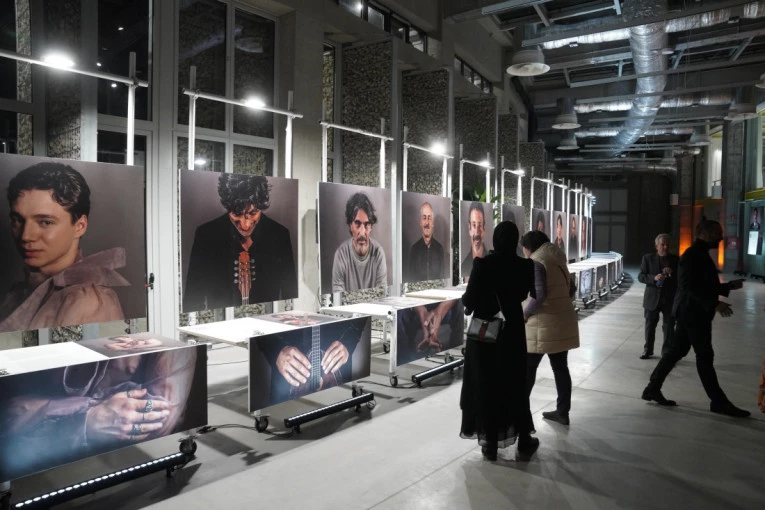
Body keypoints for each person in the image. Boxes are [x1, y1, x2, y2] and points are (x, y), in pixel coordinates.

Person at [0, 347, 199, 481]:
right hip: (36, 473)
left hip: (115, 471)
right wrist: (94, 414)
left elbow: (158, 417)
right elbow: (9, 413)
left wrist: (43, 408)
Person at [0, 163, 128, 333]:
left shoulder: (87, 301)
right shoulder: (18, 292)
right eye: (18, 220)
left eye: (46, 222)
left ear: (80, 226)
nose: (26, 236)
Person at [642, 219, 749, 417]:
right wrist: (714, 303)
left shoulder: (700, 254)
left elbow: (702, 285)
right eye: (717, 233)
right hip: (693, 314)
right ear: (704, 234)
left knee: (676, 352)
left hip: (691, 313)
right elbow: (688, 287)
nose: (721, 237)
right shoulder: (692, 255)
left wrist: (727, 287)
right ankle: (718, 402)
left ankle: (652, 388)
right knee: (704, 356)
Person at [460, 221, 539, 461]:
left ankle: (490, 444)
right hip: (512, 332)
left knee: (486, 386)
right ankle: (523, 438)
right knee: (515, 384)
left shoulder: (483, 265)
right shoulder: (525, 266)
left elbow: (469, 300)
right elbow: (526, 294)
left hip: (486, 336)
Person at [183, 173, 297, 311]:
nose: (245, 225)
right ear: (228, 208)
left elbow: (290, 295)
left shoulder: (280, 235)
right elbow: (193, 299)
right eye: (237, 214)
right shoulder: (206, 235)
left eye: (253, 213)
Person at [521, 230, 580, 426]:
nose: (524, 252)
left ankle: (519, 413)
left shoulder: (537, 261)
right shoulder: (558, 258)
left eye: (524, 248)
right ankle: (563, 412)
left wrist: (525, 314)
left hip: (541, 325)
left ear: (530, 247)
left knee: (527, 370)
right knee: (560, 368)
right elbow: (571, 288)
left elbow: (539, 295)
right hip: (561, 321)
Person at [332, 192, 388, 293]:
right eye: (357, 223)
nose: (362, 232)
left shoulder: (378, 253)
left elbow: (382, 292)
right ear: (350, 225)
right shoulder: (341, 254)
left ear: (371, 227)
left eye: (367, 224)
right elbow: (337, 294)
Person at [637, 233, 679, 359]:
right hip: (652, 299)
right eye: (662, 244)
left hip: (669, 299)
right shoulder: (647, 258)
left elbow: (680, 279)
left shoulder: (676, 260)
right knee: (650, 326)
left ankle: (666, 352)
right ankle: (648, 350)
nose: (665, 247)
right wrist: (653, 278)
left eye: (667, 245)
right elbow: (641, 276)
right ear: (656, 246)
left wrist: (672, 273)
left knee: (669, 327)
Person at [396, 300, 463, 366]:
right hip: (415, 309)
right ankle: (405, 361)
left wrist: (439, 312)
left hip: (445, 309)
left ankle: (457, 357)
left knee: (460, 301)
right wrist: (420, 311)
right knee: (398, 313)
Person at [408, 202, 444, 282]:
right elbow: (410, 279)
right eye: (424, 218)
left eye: (429, 218)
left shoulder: (439, 249)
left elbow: (443, 278)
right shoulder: (414, 250)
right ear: (420, 222)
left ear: (433, 223)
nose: (427, 222)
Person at [461, 202, 488, 278]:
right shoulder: (464, 266)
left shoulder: (492, 263)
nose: (477, 232)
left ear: (484, 228)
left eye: (480, 225)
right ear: (469, 229)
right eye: (474, 225)